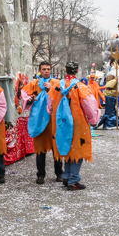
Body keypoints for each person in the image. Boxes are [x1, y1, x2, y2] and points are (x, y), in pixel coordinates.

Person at [47, 62, 100, 190]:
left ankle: (66, 176)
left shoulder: (55, 87)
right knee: (77, 149)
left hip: (60, 123)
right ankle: (73, 180)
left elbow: (49, 107)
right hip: (78, 124)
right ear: (76, 71)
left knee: (66, 147)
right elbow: (90, 106)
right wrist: (93, 120)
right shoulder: (81, 87)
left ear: (65, 70)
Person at [21, 61, 63, 184]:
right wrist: (30, 99)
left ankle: (59, 173)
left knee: (56, 148)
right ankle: (40, 175)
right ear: (40, 70)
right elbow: (24, 96)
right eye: (44, 69)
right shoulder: (33, 84)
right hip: (39, 120)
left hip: (53, 121)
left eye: (48, 69)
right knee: (40, 149)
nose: (46, 71)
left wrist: (53, 89)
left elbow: (64, 96)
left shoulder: (56, 83)